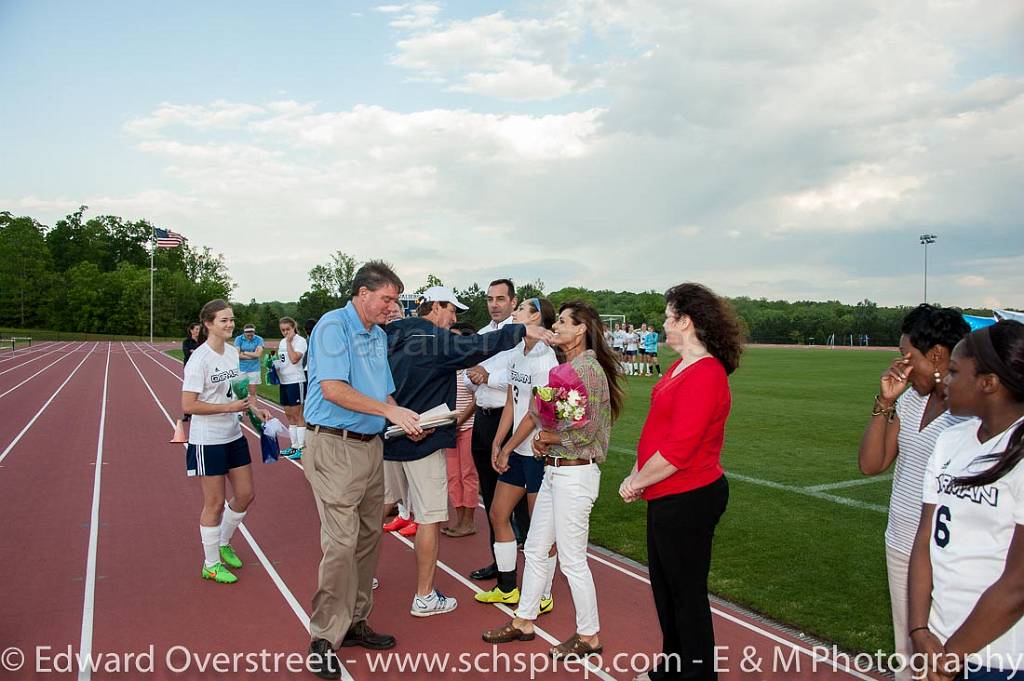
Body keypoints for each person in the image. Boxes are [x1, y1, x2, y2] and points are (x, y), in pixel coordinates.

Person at [383, 285, 549, 617]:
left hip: (390, 436)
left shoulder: (391, 333)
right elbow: (476, 347)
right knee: (431, 517)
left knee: (382, 506)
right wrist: (519, 332)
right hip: (423, 438)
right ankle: (425, 596)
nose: (455, 317)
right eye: (452, 310)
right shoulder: (435, 339)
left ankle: (358, 574)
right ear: (435, 306)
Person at [301, 261, 422, 680]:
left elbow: (383, 390)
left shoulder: (376, 334)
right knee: (341, 541)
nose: (393, 307)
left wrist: (405, 418)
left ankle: (354, 621)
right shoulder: (334, 326)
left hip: (371, 447)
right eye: (388, 299)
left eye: (396, 300)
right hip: (334, 445)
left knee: (369, 537)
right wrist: (389, 410)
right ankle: (323, 636)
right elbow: (333, 389)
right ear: (363, 293)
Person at [483, 301, 624, 659]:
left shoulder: (588, 370)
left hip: (575, 474)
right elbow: (553, 417)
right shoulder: (567, 367)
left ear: (580, 330)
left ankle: (589, 634)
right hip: (555, 471)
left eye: (562, 321)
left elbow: (589, 431)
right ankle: (524, 620)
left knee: (573, 559)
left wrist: (548, 438)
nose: (556, 325)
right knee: (533, 547)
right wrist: (546, 435)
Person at [620, 283, 743, 681]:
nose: (663, 323)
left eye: (669, 316)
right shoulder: (679, 367)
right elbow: (659, 429)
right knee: (667, 592)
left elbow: (680, 449)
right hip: (667, 495)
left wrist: (636, 481)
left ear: (686, 321)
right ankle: (672, 668)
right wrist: (637, 471)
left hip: (689, 497)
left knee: (686, 596)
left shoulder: (706, 374)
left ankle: (696, 674)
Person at [857, 304, 969, 680]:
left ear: (937, 354)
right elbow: (873, 464)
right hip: (901, 540)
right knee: (907, 650)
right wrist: (885, 401)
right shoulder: (911, 397)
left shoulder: (970, 412)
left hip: (948, 551)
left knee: (947, 653)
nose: (902, 365)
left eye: (908, 356)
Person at [908, 320, 1024, 681]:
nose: (944, 380)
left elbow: (1017, 583)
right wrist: (919, 631)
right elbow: (925, 540)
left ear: (988, 383)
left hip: (1000, 657)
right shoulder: (950, 442)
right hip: (938, 640)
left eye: (955, 372)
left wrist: (950, 658)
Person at [474, 298, 559, 608]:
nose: (515, 310)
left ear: (536, 317)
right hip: (516, 449)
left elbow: (536, 412)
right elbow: (511, 401)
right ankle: (508, 586)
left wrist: (507, 447)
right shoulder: (515, 354)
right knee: (498, 514)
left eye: (522, 307)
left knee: (539, 530)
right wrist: (499, 442)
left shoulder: (545, 359)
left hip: (537, 453)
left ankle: (544, 595)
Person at [180, 299, 269, 585]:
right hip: (208, 440)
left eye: (231, 320)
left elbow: (239, 390)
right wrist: (228, 409)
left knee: (245, 494)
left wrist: (254, 408)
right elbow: (189, 405)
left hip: (233, 435)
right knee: (214, 502)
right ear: (208, 324)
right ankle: (211, 564)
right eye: (223, 320)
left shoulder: (232, 353)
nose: (230, 324)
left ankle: (224, 542)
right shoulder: (199, 360)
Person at [465, 279, 532, 581]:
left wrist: (487, 375)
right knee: (491, 497)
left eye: (500, 298)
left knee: (520, 502)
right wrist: (476, 377)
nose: (494, 304)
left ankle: (532, 568)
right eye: (490, 298)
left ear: (513, 301)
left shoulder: (522, 337)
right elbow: (468, 380)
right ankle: (501, 563)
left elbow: (521, 380)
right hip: (483, 419)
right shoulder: (480, 336)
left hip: (511, 422)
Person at [444, 321, 480, 538]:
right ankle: (459, 520)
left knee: (468, 474)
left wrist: (459, 422)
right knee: (453, 475)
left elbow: (477, 399)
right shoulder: (448, 365)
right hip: (449, 427)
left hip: (468, 426)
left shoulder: (473, 366)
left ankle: (469, 521)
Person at [275, 316, 309, 460]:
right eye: (282, 330)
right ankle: (294, 445)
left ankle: (302, 447)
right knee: (289, 415)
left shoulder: (300, 341)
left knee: (298, 415)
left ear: (294, 327)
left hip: (296, 381)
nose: (285, 333)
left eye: (287, 329)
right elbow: (283, 361)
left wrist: (289, 342)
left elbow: (295, 359)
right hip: (284, 382)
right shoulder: (282, 342)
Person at [233, 324, 264, 398]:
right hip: (241, 368)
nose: (250, 334)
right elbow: (237, 355)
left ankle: (253, 409)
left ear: (254, 332)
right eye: (247, 332)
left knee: (253, 393)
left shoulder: (259, 339)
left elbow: (258, 354)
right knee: (239, 392)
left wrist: (244, 352)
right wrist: (253, 355)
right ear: (244, 332)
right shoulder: (239, 339)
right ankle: (241, 409)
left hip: (254, 369)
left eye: (251, 332)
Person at [181, 322, 201, 421]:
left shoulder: (202, 341)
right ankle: (187, 413)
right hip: (189, 367)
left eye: (199, 329)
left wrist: (194, 351)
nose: (198, 331)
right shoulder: (186, 342)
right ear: (191, 330)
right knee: (189, 389)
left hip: (201, 368)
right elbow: (186, 353)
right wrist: (196, 352)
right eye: (196, 329)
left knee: (199, 390)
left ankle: (196, 411)